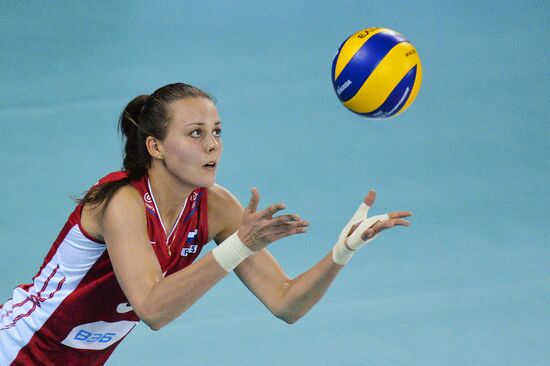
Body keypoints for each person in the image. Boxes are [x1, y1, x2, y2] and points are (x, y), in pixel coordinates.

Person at [0, 83, 412, 365]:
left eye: (216, 131)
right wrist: (238, 247)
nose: (212, 144)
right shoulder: (121, 202)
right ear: (155, 146)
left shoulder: (215, 207)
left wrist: (342, 252)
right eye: (195, 133)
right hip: (16, 351)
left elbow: (286, 303)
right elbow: (153, 309)